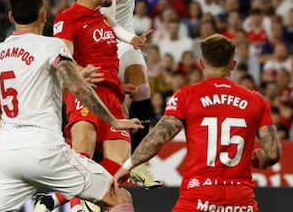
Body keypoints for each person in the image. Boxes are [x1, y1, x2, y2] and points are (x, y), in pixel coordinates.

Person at [0, 0, 143, 212]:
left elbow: (34, 83)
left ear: (10, 17)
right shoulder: (51, 45)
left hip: (6, 155)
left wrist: (74, 75)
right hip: (44, 149)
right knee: (121, 197)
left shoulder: (0, 50)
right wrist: (114, 121)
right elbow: (76, 86)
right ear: (44, 15)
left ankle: (53, 200)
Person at [110, 34, 282, 211]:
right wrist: (263, 158)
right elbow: (273, 153)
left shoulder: (187, 97)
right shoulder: (256, 101)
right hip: (240, 201)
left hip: (198, 198)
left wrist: (128, 166)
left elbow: (157, 139)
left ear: (201, 64)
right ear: (233, 65)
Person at [36, 0, 152, 212]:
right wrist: (79, 72)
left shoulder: (104, 20)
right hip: (85, 95)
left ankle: (52, 199)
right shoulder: (68, 18)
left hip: (114, 100)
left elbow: (105, 58)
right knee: (84, 156)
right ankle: (72, 205)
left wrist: (121, 85)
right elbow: (63, 56)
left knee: (116, 175)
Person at [94, 0, 187, 183]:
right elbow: (107, 22)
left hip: (125, 37)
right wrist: (132, 39)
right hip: (102, 41)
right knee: (103, 104)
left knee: (143, 90)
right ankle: (94, 168)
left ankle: (135, 161)